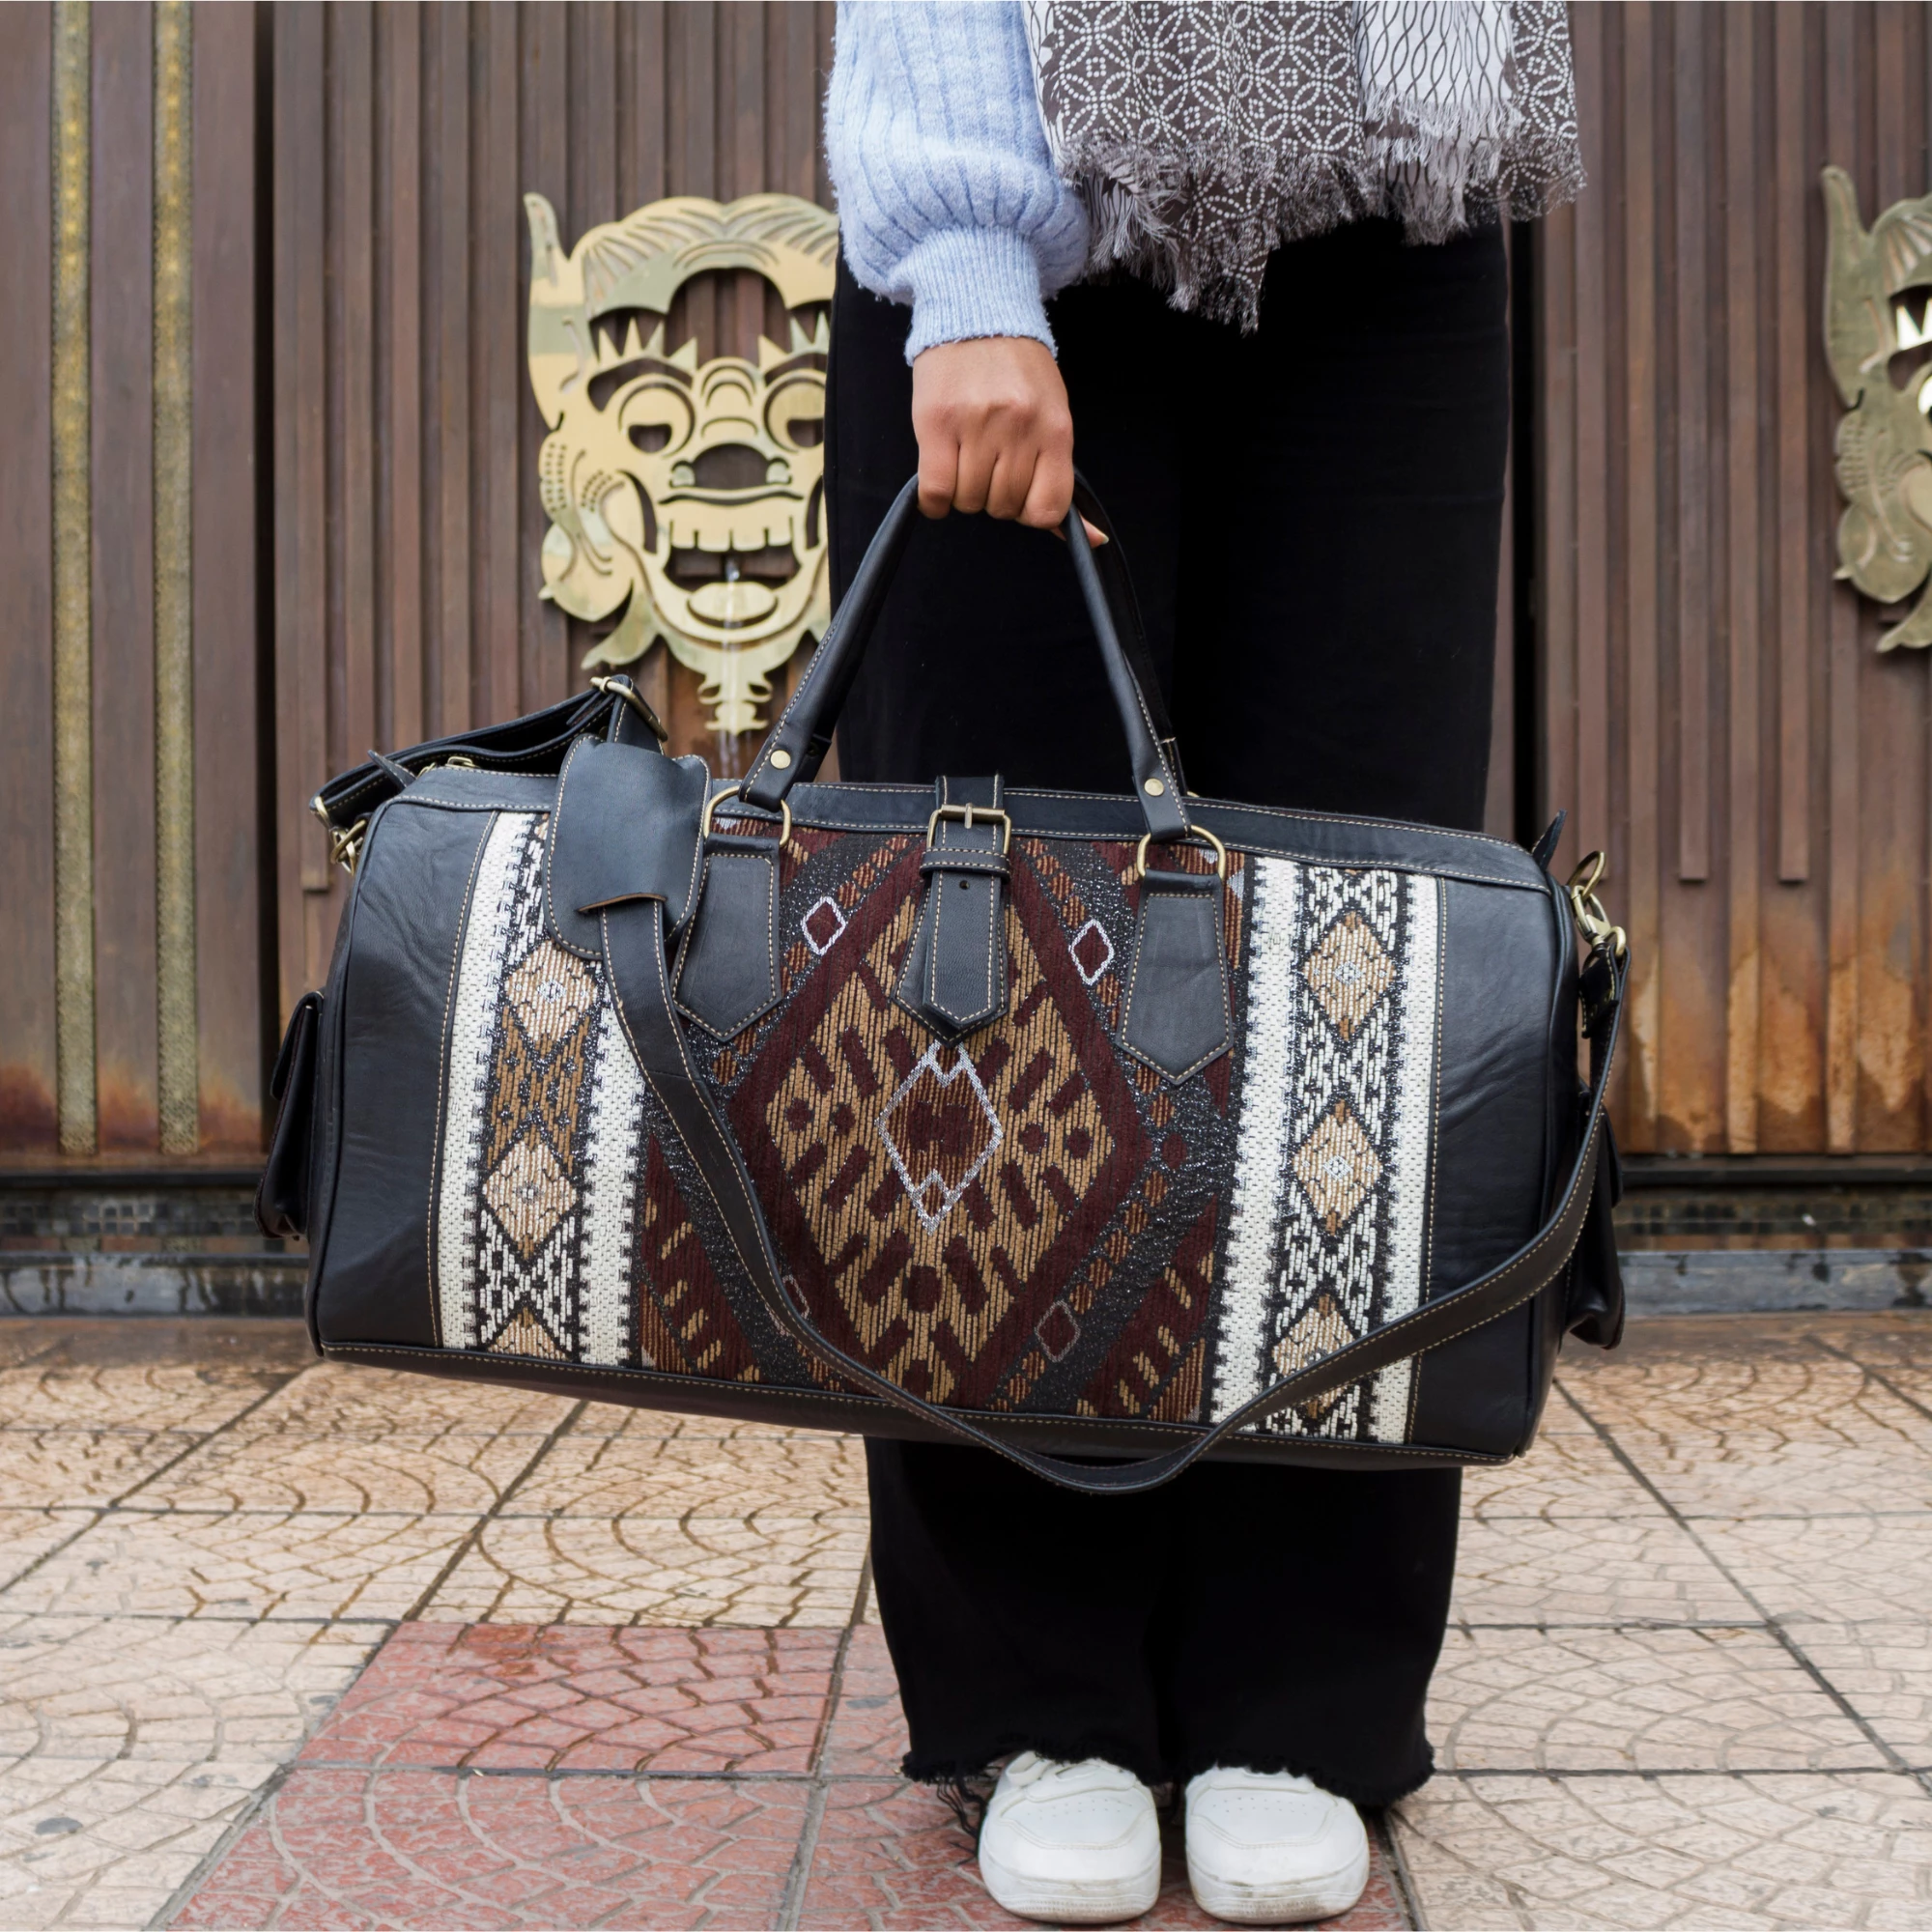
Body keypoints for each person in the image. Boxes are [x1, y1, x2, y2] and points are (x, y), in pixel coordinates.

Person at [820, 5, 1581, 1922]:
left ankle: (1302, 1696)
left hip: (1392, 200)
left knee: (1357, 966)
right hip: (1030, 206)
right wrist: (963, 252)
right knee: (995, 972)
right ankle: (1039, 1697)